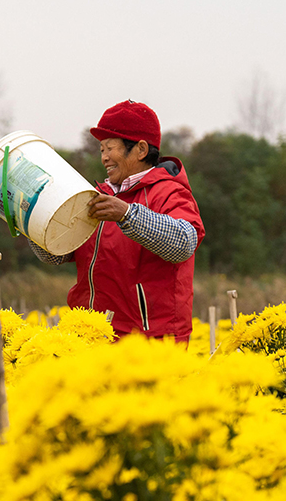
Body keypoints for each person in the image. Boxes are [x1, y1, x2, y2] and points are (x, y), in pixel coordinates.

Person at [30, 100, 204, 344]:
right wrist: (29, 221)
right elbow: (56, 255)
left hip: (150, 344)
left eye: (110, 148)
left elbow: (184, 243)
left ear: (141, 150)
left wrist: (127, 215)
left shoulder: (170, 193)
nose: (104, 158)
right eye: (101, 150)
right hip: (89, 339)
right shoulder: (96, 196)